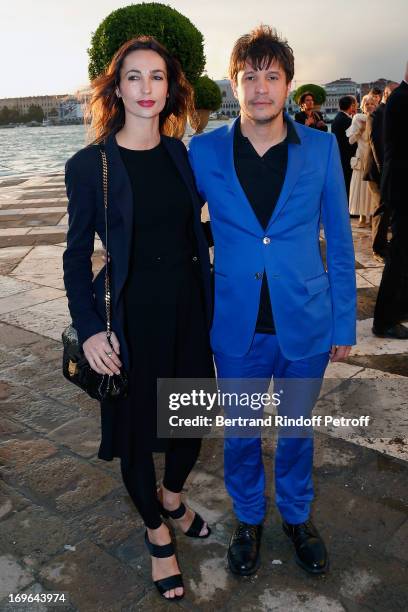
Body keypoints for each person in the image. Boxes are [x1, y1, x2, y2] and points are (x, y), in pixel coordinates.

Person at [188, 25, 356, 576]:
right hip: (235, 324)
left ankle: (298, 516)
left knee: (295, 431)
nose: (261, 88)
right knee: (239, 435)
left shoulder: (323, 148)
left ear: (287, 85)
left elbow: (339, 238)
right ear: (234, 85)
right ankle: (250, 518)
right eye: (249, 77)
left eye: (272, 77)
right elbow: (179, 228)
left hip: (305, 323)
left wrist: (344, 324)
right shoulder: (205, 151)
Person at [63, 36, 215, 601]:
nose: (146, 88)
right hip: (126, 316)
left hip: (187, 309)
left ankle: (172, 496)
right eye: (134, 77)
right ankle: (157, 532)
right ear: (116, 87)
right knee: (133, 437)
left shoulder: (181, 153)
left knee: (189, 424)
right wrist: (90, 328)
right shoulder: (90, 166)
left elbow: (189, 231)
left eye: (157, 77)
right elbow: (76, 256)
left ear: (171, 87)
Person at [373, 63, 408, 339]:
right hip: (403, 188)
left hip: (401, 186)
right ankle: (384, 320)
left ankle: (399, 308)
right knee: (398, 254)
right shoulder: (402, 99)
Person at [364, 83, 398, 261]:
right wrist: (383, 170)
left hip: (390, 169)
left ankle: (386, 245)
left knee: (388, 208)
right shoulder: (376, 114)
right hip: (378, 171)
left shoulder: (393, 112)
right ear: (386, 94)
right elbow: (376, 144)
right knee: (382, 208)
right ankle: (378, 249)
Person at [346, 94, 378, 226]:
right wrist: (360, 130)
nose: (369, 106)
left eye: (372, 104)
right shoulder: (357, 119)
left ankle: (371, 216)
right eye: (367, 104)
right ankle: (362, 216)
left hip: (373, 158)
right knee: (360, 188)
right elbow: (350, 140)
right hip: (360, 158)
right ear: (362, 106)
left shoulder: (378, 119)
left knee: (372, 189)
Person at [331, 95, 358, 198]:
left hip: (340, 155)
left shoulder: (338, 118)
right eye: (355, 105)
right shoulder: (347, 121)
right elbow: (352, 140)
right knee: (348, 182)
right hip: (347, 157)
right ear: (351, 106)